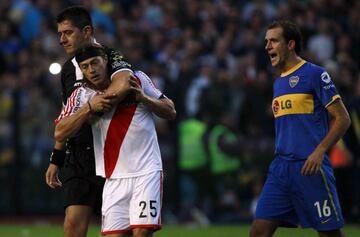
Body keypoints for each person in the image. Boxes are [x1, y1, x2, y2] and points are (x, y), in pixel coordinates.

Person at [54, 43, 176, 237]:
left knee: (142, 233)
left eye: (95, 63)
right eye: (85, 67)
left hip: (146, 171)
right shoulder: (82, 95)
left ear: (105, 61)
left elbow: (170, 110)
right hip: (113, 178)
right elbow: (60, 132)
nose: (91, 70)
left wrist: (145, 99)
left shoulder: (138, 79)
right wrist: (89, 108)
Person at [250, 20, 351, 237]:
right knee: (258, 231)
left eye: (274, 41)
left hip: (310, 167)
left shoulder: (315, 74)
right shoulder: (278, 83)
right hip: (280, 170)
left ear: (291, 44)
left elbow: (343, 119)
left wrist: (319, 151)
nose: (267, 46)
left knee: (330, 234)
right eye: (266, 41)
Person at [44, 6, 133, 237]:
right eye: (60, 34)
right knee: (73, 224)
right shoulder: (67, 70)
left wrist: (95, 105)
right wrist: (57, 157)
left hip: (112, 154)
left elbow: (124, 84)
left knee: (119, 231)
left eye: (68, 33)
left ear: (86, 31)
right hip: (81, 156)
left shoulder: (110, 56)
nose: (62, 40)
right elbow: (67, 113)